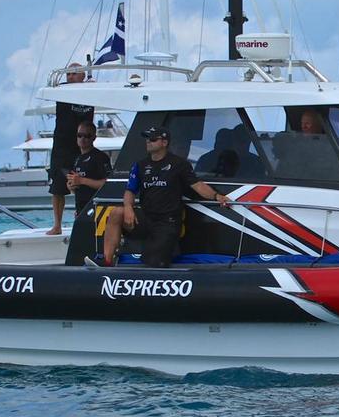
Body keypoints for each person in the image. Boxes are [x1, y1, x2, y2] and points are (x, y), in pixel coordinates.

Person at [102, 127, 231, 267]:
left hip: (167, 221)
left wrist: (217, 196)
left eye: (152, 139)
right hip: (146, 217)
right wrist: (128, 208)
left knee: (153, 262)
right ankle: (107, 261)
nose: (148, 142)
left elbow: (198, 185)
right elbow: (130, 191)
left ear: (164, 142)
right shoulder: (140, 165)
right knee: (116, 212)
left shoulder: (179, 164)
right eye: (147, 139)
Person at [46, 63, 93, 235]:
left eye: (74, 74)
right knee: (58, 189)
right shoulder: (62, 92)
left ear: (82, 76)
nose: (71, 77)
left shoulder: (91, 92)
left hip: (83, 146)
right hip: (62, 147)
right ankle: (57, 225)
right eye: (69, 75)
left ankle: (82, 220)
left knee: (82, 186)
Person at [63, 121, 112, 266]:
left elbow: (107, 184)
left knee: (94, 245)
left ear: (93, 138)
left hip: (97, 210)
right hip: (81, 209)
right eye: (80, 135)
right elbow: (75, 187)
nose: (83, 139)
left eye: (87, 136)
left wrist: (83, 180)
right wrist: (72, 184)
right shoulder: (78, 159)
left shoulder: (99, 157)